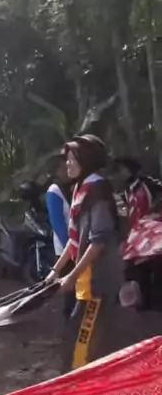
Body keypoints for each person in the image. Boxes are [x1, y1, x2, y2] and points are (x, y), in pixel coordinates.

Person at [46, 135, 123, 370]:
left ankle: (83, 387)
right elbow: (75, 240)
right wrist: (55, 270)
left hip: (98, 281)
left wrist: (71, 277)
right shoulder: (80, 189)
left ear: (86, 160)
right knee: (76, 337)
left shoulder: (96, 191)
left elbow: (98, 242)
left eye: (72, 159)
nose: (67, 164)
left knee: (82, 346)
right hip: (86, 281)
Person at [113, 157, 162, 309]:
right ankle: (143, 302)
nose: (120, 173)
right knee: (138, 269)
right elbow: (130, 214)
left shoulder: (147, 185)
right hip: (137, 236)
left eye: (123, 169)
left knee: (153, 268)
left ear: (131, 169)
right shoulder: (128, 190)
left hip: (152, 235)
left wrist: (156, 215)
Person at [45, 155, 75, 320]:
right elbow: (58, 224)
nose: (67, 171)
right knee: (70, 292)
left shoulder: (70, 189)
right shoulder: (54, 191)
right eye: (64, 168)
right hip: (66, 249)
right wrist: (71, 251)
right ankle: (69, 323)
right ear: (56, 171)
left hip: (75, 247)